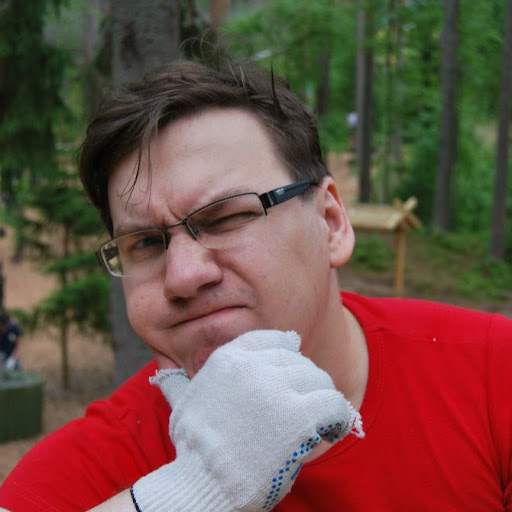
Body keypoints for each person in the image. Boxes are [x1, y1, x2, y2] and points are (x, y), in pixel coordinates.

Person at [0, 55, 511, 512]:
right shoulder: (89, 471)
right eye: (147, 244)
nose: (183, 276)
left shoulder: (490, 374)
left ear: (331, 224)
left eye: (227, 217)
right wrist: (189, 494)